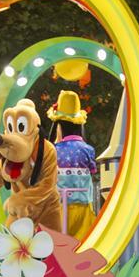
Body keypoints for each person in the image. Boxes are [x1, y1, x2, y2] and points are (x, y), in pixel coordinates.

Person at [47, 90, 97, 239]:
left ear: (59, 126)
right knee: (83, 245)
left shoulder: (53, 150)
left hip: (58, 209)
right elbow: (92, 171)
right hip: (83, 208)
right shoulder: (88, 150)